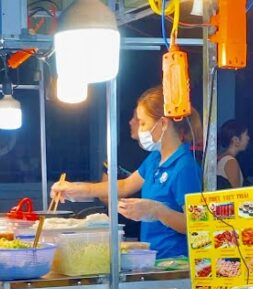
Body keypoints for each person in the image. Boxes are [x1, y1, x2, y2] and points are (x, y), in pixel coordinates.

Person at [51, 87, 202, 258]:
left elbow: (195, 224)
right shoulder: (155, 159)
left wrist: (157, 211)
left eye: (143, 123)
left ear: (163, 124)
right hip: (154, 259)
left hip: (177, 261)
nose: (140, 129)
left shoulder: (185, 166)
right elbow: (124, 186)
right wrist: (78, 189)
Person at [217, 120, 249, 189]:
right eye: (246, 135)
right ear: (235, 140)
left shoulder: (224, 158)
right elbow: (235, 193)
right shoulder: (231, 162)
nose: (248, 138)